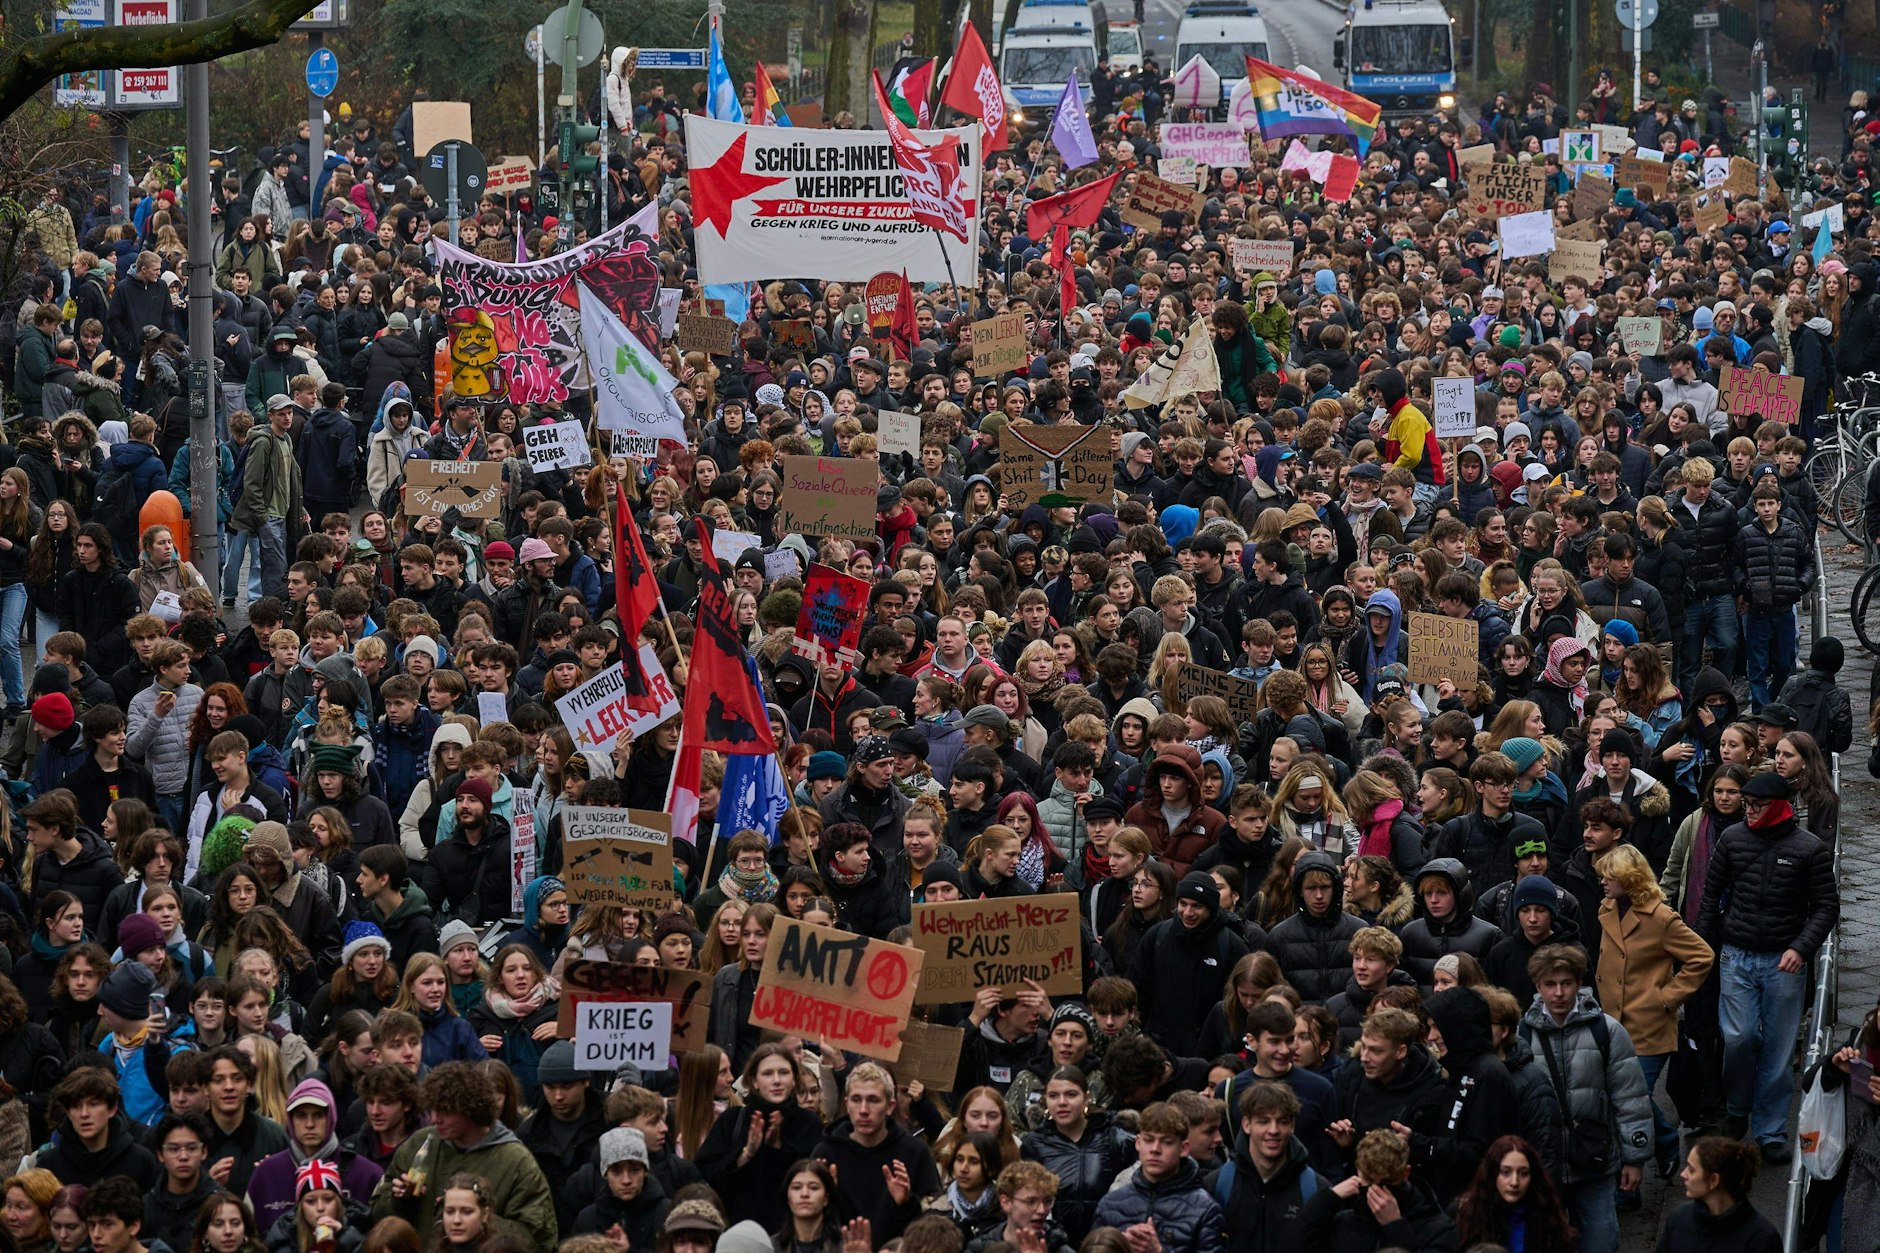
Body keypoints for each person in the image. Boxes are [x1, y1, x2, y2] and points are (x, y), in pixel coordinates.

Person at [1696, 771, 1837, 1161]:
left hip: (1783, 961)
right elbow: (1711, 895)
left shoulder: (1808, 848)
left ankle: (1771, 1129)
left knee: (1777, 1049)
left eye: (1756, 805)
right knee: (1738, 1038)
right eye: (1747, 804)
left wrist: (1801, 948)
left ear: (1777, 806)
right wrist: (1699, 946)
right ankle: (1738, 1107)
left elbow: (1826, 907)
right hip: (1736, 954)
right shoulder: (1733, 839)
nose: (1748, 810)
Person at [368, 1061, 556, 1253]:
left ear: (471, 1110)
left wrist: (479, 1216)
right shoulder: (421, 1144)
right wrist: (400, 1199)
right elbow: (377, 1216)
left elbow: (538, 1238)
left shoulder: (516, 1161)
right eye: (432, 1110)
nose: (434, 1119)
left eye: (445, 1112)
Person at [1657, 1137, 1781, 1253]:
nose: (1683, 1174)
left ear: (1714, 1180)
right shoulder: (1679, 1218)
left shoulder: (1761, 1239)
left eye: (1691, 1169)